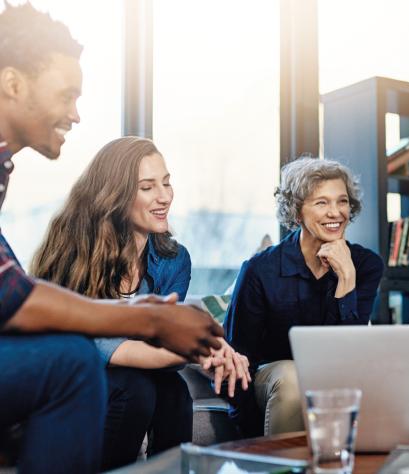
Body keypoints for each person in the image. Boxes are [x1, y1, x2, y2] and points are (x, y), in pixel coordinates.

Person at [0, 4, 222, 472]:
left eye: (166, 182)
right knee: (73, 360)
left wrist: (153, 320)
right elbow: (13, 297)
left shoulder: (3, 168)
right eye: (66, 95)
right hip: (106, 372)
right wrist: (147, 319)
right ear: (13, 84)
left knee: (164, 390)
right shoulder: (75, 241)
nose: (76, 114)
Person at [31, 136, 250, 470]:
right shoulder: (74, 250)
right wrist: (201, 350)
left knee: (173, 390)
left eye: (166, 183)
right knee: (136, 388)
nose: (164, 197)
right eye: (147, 187)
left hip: (142, 378)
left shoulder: (174, 259)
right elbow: (108, 349)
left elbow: (167, 343)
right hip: (75, 374)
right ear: (115, 194)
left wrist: (208, 349)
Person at [224, 157, 384, 436]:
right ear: (297, 212)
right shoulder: (260, 270)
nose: (335, 212)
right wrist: (247, 435)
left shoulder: (366, 265)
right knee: (291, 375)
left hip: (336, 378)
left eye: (342, 201)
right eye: (321, 202)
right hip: (273, 381)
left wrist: (346, 279)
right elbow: (239, 361)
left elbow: (350, 354)